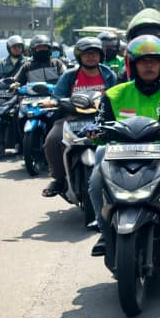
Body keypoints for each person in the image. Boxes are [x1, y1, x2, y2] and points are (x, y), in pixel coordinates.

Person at [89, 35, 160, 255]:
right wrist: (93, 130)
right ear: (133, 65)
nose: (149, 65)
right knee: (95, 181)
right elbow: (99, 126)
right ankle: (104, 230)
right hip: (121, 154)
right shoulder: (114, 94)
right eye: (143, 61)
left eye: (154, 61)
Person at [42, 36, 117, 199]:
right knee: (52, 140)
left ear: (101, 56)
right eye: (87, 53)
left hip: (101, 119)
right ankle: (59, 179)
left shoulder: (109, 75)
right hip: (71, 118)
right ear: (79, 56)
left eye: (94, 53)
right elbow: (58, 95)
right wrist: (52, 102)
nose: (91, 57)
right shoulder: (69, 76)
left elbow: (117, 94)